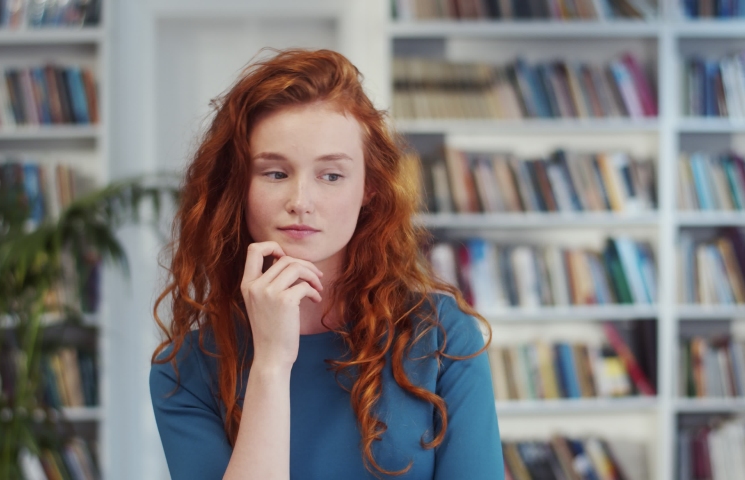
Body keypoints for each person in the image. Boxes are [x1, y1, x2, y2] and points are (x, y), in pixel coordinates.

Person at [149, 48, 503, 480]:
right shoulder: (185, 368)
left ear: (369, 189)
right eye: (275, 173)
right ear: (238, 186)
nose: (300, 202)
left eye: (331, 175)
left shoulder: (443, 336)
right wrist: (272, 365)